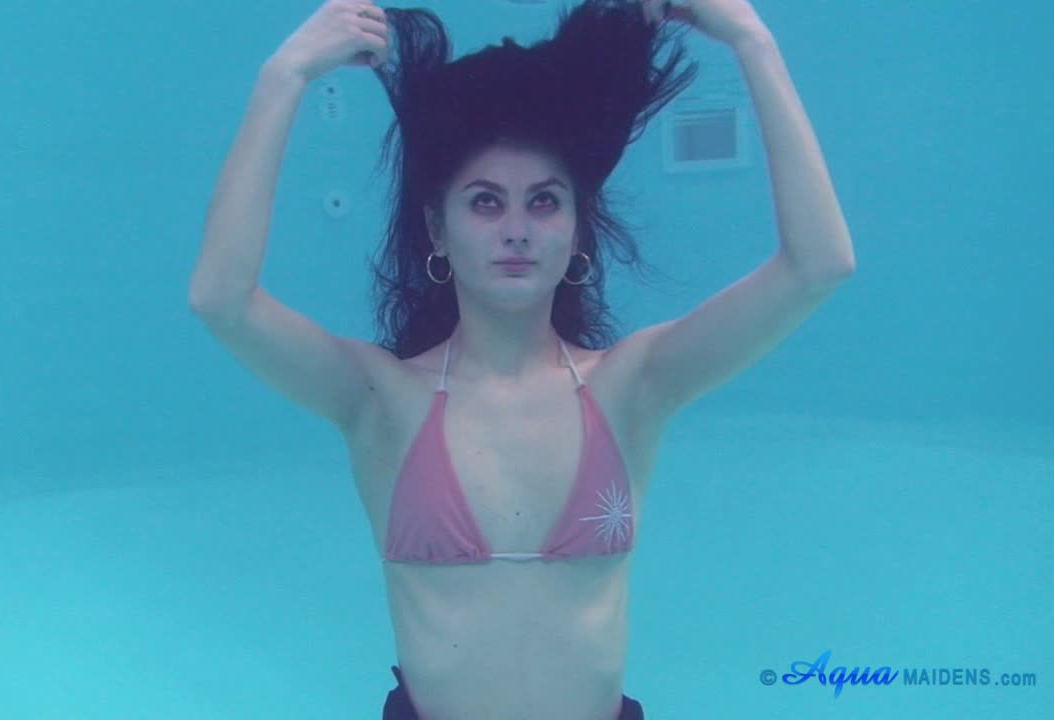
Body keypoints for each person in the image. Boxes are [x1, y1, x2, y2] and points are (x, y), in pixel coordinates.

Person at [188, 0, 855, 717]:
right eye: (485, 203)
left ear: (577, 230)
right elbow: (221, 300)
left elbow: (818, 266)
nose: (516, 230)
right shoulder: (381, 399)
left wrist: (753, 41)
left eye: (543, 203)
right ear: (436, 229)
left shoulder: (632, 385)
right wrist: (283, 75)